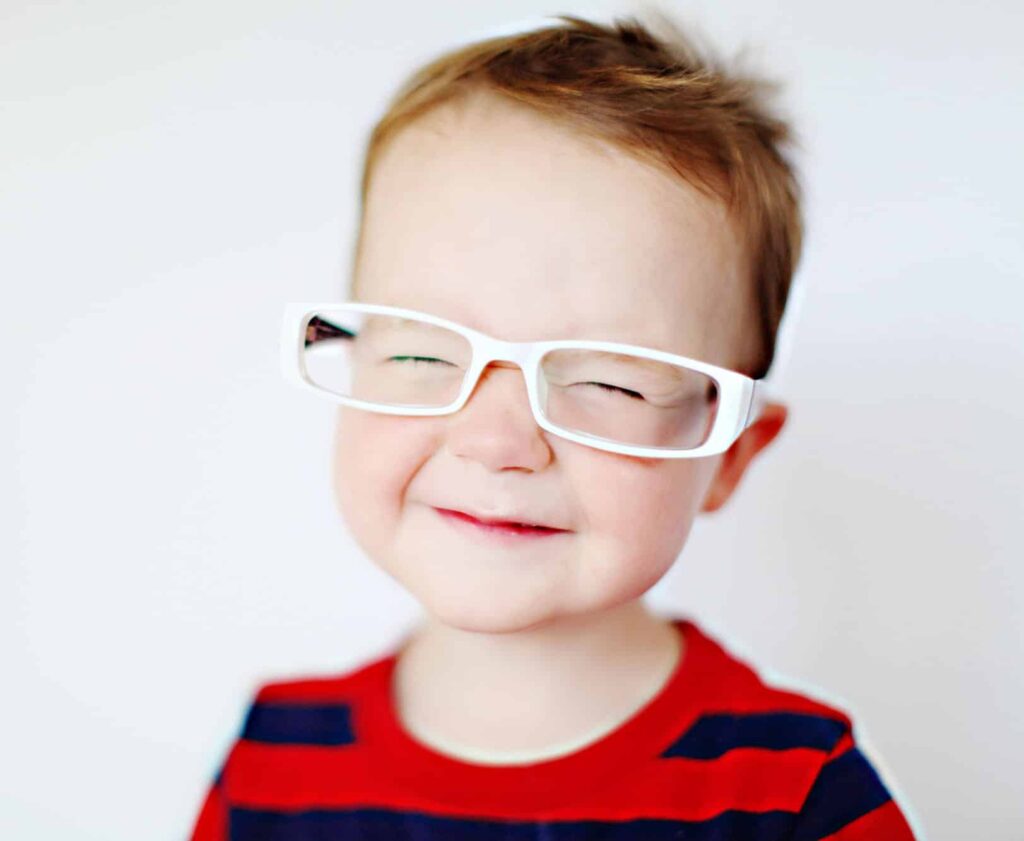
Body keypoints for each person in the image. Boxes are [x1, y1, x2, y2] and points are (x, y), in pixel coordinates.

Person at [190, 12, 918, 840]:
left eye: (609, 379)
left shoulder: (795, 793)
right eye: (424, 352)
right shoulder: (272, 764)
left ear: (730, 456)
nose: (495, 441)